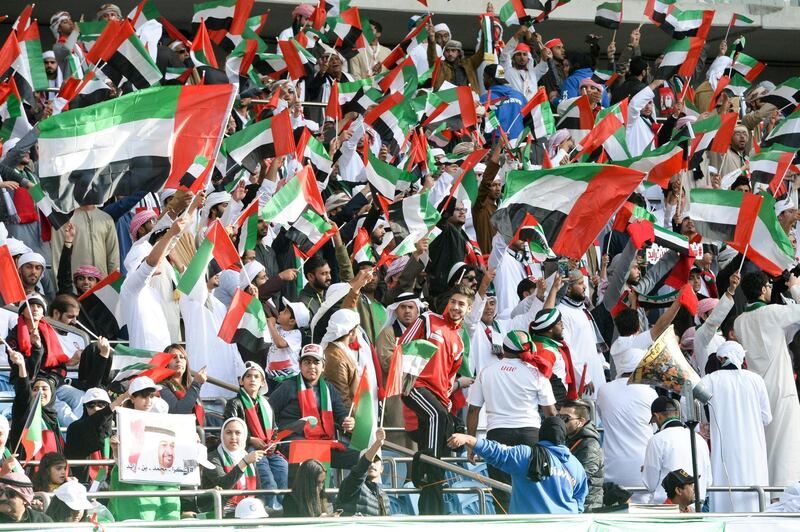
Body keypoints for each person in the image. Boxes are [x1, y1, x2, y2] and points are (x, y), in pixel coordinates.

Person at [467, 330, 557, 513]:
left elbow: (473, 411)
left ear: (504, 349)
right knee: (534, 488)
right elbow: (551, 413)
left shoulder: (487, 372)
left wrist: (471, 444)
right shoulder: (536, 373)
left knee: (502, 493)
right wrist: (555, 445)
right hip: (531, 435)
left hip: (497, 434)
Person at [734, 271, 800, 488]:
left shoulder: (739, 322)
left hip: (758, 393)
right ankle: (784, 496)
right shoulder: (773, 312)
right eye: (769, 286)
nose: (771, 289)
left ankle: (768, 494)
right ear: (762, 290)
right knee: (786, 446)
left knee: (764, 445)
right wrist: (794, 286)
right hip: (781, 390)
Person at [448, 416, 588, 514]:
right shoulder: (576, 465)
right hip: (567, 525)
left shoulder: (526, 455)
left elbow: (495, 451)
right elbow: (579, 504)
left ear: (541, 433)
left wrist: (468, 438)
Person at [401, 285, 474, 458]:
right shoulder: (428, 318)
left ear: (468, 309)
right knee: (437, 415)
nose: (455, 307)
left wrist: (447, 399)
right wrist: (405, 379)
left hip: (438, 395)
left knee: (438, 432)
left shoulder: (459, 342)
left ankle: (432, 481)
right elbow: (404, 345)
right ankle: (432, 469)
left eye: (461, 304)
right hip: (415, 385)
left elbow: (449, 378)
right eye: (453, 302)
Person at [700, 341, 771, 512]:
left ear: (720, 358)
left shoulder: (710, 380)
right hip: (753, 450)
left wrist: (701, 427)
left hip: (726, 451)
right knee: (755, 495)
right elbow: (767, 417)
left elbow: (686, 400)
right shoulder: (756, 380)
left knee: (726, 492)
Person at [268, 344, 358, 470]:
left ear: (323, 367)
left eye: (316, 362)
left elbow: (341, 413)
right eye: (307, 362)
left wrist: (348, 421)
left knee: (364, 459)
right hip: (292, 442)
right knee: (312, 455)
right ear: (300, 365)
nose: (311, 366)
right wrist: (273, 438)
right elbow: (267, 412)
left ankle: (357, 489)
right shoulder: (287, 386)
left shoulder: (329, 388)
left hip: (323, 441)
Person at [108, 376, 180, 521]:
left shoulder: (163, 420)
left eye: (151, 396)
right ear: (132, 398)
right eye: (143, 396)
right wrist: (115, 449)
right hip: (134, 483)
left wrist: (190, 440)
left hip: (161, 480)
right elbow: (123, 461)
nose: (148, 401)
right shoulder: (124, 421)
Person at [224, 362, 288, 510]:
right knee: (268, 478)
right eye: (248, 376)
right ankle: (272, 510)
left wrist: (274, 443)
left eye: (256, 377)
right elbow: (229, 429)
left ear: (262, 382)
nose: (252, 379)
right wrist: (250, 439)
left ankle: (283, 509)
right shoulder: (234, 403)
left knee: (283, 468)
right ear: (242, 381)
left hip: (268, 449)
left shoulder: (266, 404)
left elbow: (275, 429)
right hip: (249, 449)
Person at [642, 397, 712, 505]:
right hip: (696, 508)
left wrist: (644, 470)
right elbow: (708, 482)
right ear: (676, 413)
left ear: (657, 416)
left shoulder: (657, 440)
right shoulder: (698, 439)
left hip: (667, 509)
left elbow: (650, 484)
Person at [202, 417, 266, 515]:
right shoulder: (212, 458)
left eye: (238, 433)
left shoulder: (248, 456)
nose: (233, 437)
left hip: (249, 508)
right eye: (229, 432)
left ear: (244, 436)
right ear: (222, 436)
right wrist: (244, 463)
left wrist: (257, 505)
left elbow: (259, 493)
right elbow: (223, 485)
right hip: (222, 509)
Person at [65, 387, 127, 485]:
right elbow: (93, 424)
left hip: (106, 484)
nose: (96, 408)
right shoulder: (75, 428)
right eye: (91, 405)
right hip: (81, 483)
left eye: (101, 405)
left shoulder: (113, 434)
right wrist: (113, 405)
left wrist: (115, 449)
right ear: (85, 407)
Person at [560, 400, 604, 511]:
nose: (560, 422)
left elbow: (580, 478)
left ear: (580, 422)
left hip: (586, 508)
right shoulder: (567, 440)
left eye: (565, 419)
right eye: (558, 417)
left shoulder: (590, 445)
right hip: (574, 504)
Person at [335, 427, 388, 516]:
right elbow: (360, 469)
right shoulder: (350, 485)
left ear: (382, 468)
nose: (371, 464)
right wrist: (377, 444)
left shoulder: (384, 497)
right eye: (369, 461)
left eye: (375, 461)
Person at [159, 344, 207, 425]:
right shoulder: (161, 387)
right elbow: (178, 411)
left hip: (198, 434)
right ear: (166, 363)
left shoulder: (189, 388)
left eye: (182, 357)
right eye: (174, 357)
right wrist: (196, 384)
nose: (178, 360)